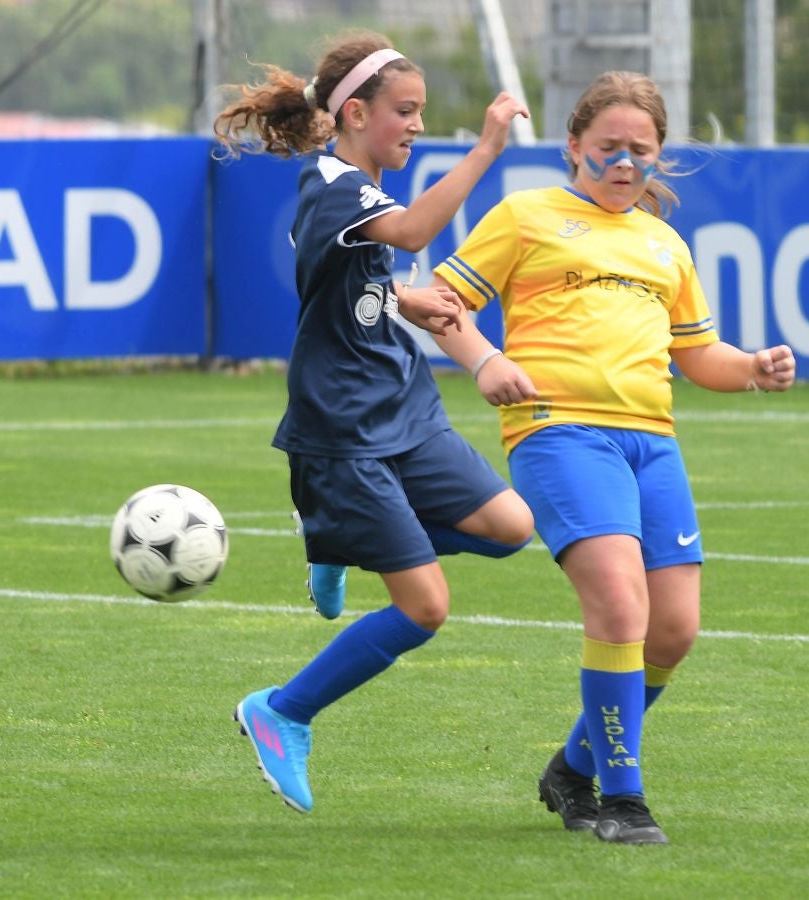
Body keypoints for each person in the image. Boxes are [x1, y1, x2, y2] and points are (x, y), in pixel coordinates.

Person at [429, 70, 796, 844]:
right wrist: (484, 359)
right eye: (608, 148)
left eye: (641, 150)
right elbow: (440, 300)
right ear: (572, 147)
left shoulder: (664, 244)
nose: (624, 163)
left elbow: (699, 356)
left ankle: (570, 768)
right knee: (621, 609)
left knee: (674, 632)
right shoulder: (526, 217)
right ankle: (623, 803)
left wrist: (754, 370)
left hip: (652, 445)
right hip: (560, 433)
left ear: (659, 157)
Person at [212, 32, 535, 813]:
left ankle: (346, 543)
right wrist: (489, 147)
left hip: (403, 402)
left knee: (511, 524)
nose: (418, 125)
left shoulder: (350, 185)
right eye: (406, 110)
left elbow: (354, 283)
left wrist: (402, 299)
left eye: (421, 110)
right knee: (426, 607)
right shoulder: (335, 186)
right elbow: (415, 232)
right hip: (344, 429)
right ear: (354, 113)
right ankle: (282, 710)